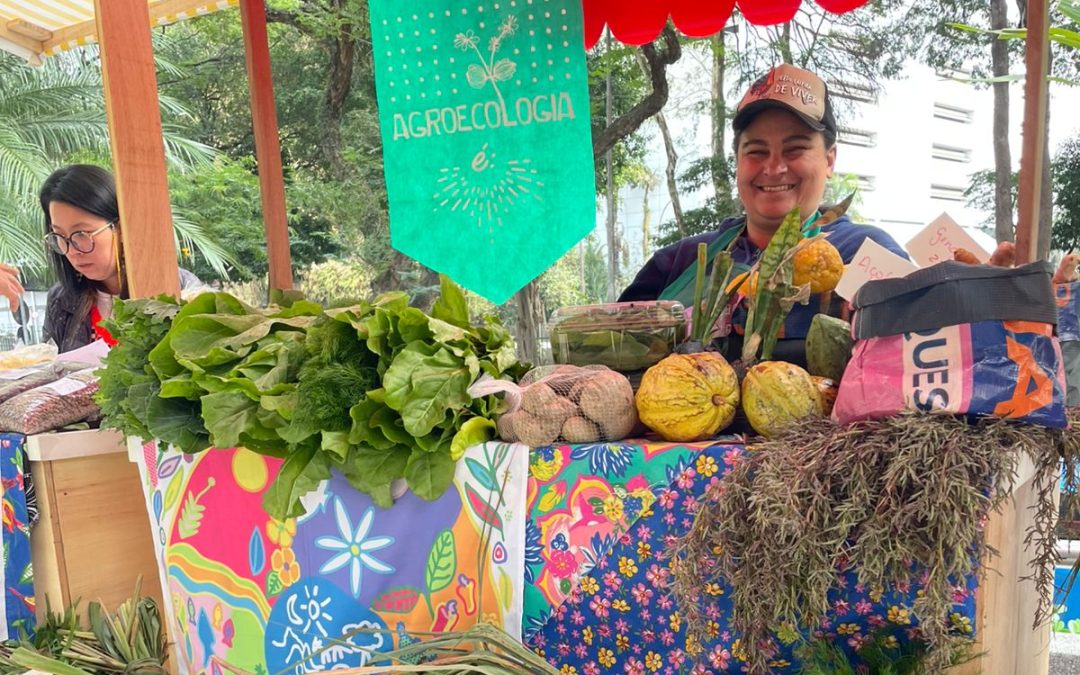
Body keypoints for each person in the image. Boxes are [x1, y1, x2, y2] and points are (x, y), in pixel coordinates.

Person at [620, 64, 908, 366]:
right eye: (756, 151)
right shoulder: (680, 262)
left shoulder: (866, 254)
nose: (774, 168)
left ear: (829, 160)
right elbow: (611, 353)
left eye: (795, 149)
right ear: (737, 161)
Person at [0, 164, 202, 352]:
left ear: (120, 228)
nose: (73, 250)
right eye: (60, 236)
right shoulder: (61, 300)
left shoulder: (180, 289)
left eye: (82, 234)